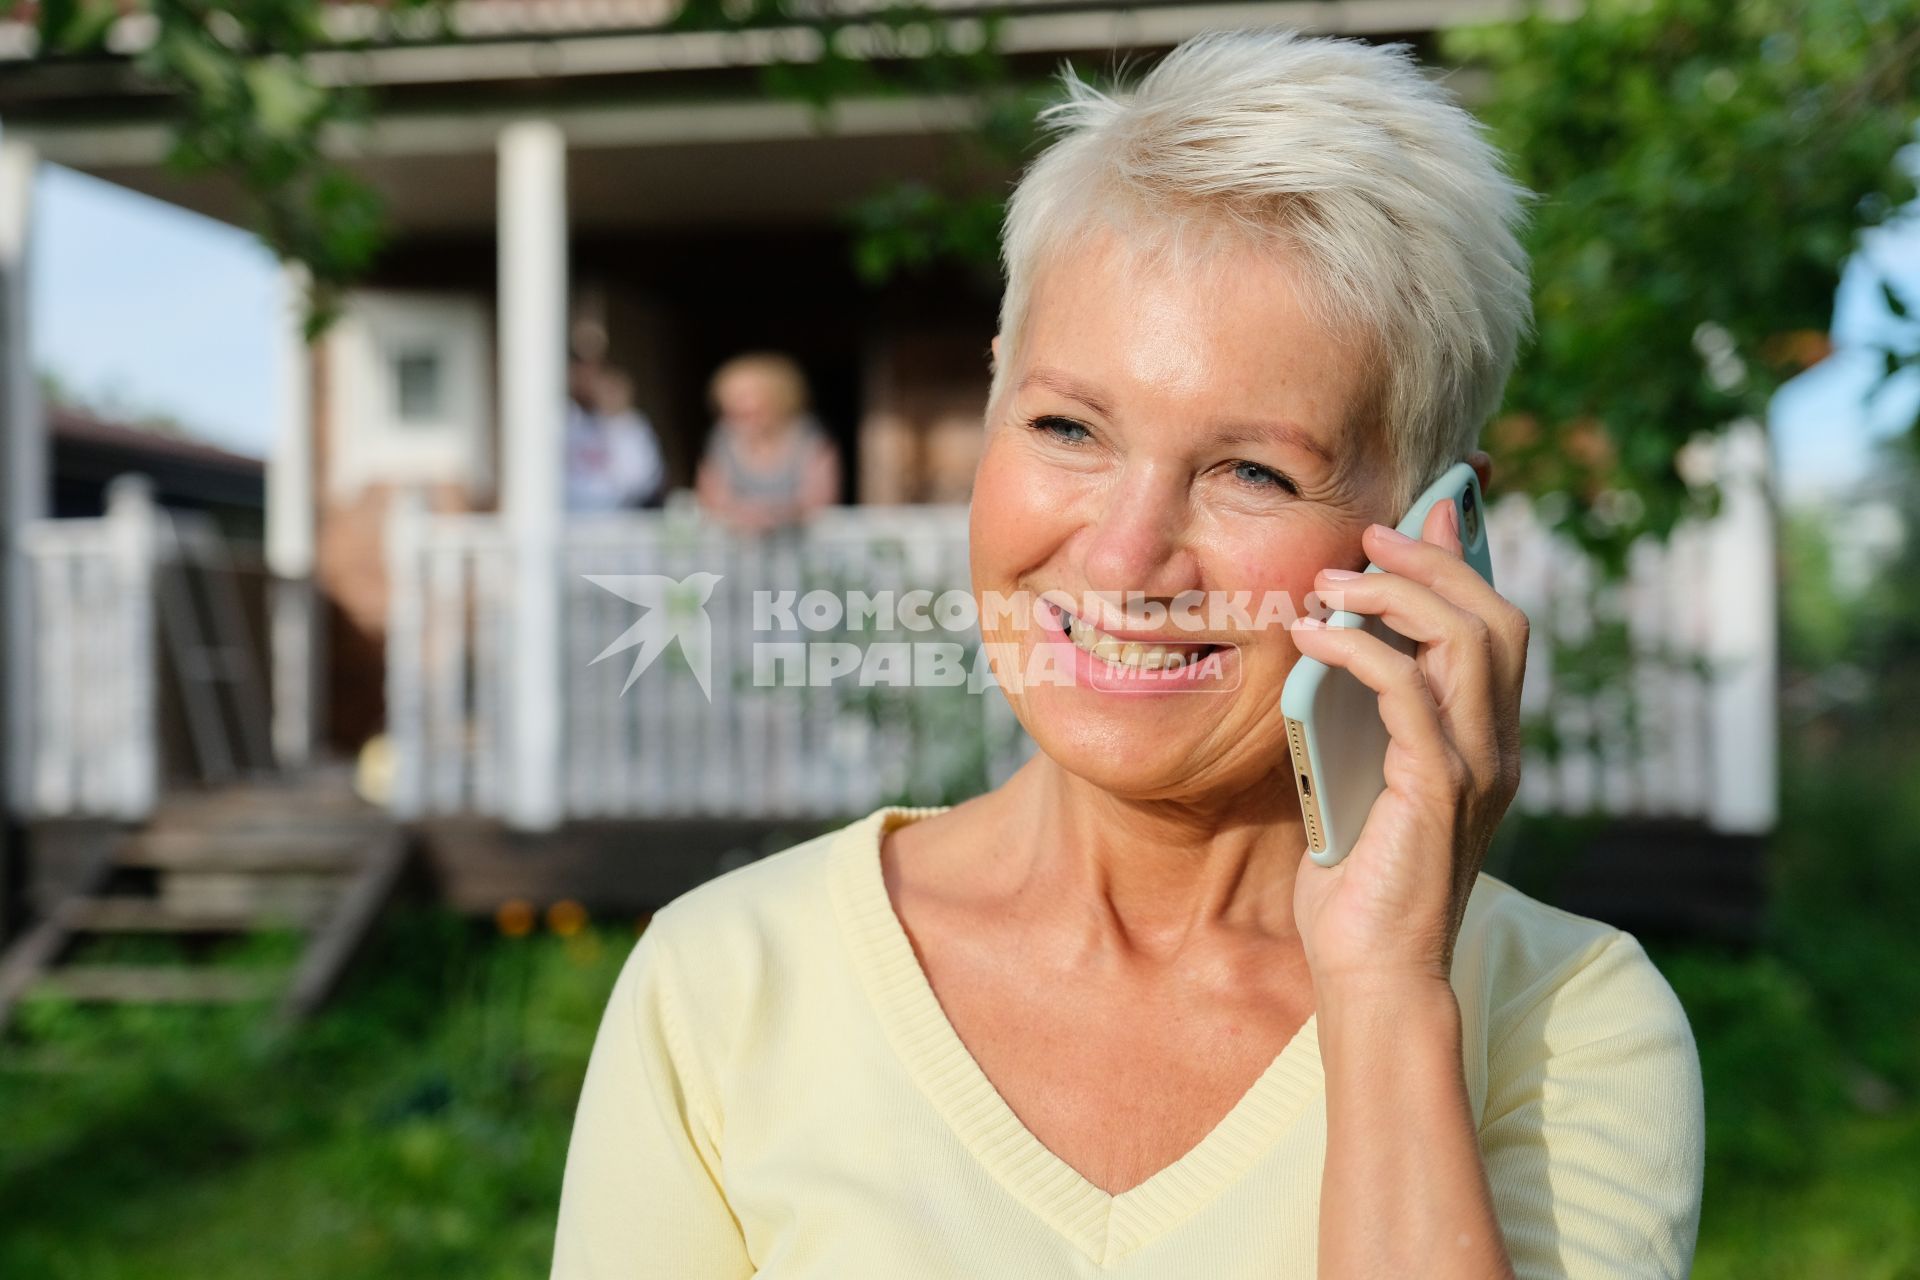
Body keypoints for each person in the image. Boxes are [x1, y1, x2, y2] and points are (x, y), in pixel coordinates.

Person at [550, 30, 1704, 1280]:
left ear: (1432, 535)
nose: (1121, 557)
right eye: (1068, 426)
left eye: (1251, 470)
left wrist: (1383, 994)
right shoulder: (724, 985)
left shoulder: (1568, 1022)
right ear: (993, 405)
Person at [695, 352, 840, 533]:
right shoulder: (721, 439)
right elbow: (711, 499)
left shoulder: (810, 437)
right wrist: (741, 517)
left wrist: (776, 516)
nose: (745, 422)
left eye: (754, 412)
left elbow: (818, 500)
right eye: (734, 413)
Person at [565, 358, 665, 513]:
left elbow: (639, 482)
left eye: (612, 390)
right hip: (572, 517)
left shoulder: (633, 429)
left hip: (620, 519)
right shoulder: (574, 421)